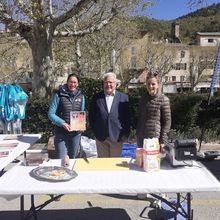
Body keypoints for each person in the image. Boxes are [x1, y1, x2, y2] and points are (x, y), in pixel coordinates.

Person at [89, 72, 130, 157]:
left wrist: (125, 134)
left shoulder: (123, 97)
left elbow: (127, 118)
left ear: (115, 84)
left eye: (111, 82)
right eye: (106, 82)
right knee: (104, 166)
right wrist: (95, 132)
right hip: (101, 138)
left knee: (115, 166)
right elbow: (91, 116)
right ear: (103, 84)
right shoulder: (96, 97)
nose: (108, 84)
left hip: (117, 137)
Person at [48, 74, 85, 160]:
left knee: (73, 160)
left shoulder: (81, 97)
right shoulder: (58, 95)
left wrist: (82, 125)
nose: (72, 84)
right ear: (67, 82)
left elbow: (81, 113)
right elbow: (51, 114)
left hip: (75, 135)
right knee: (62, 160)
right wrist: (62, 123)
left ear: (78, 84)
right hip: (61, 134)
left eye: (75, 82)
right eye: (71, 82)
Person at [136, 71, 171, 151]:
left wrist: (163, 140)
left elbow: (167, 122)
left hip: (154, 139)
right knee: (141, 162)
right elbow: (140, 118)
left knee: (152, 162)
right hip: (141, 138)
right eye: (148, 84)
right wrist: (137, 134)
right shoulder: (143, 98)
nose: (150, 86)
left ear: (158, 85)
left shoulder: (164, 100)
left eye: (153, 84)